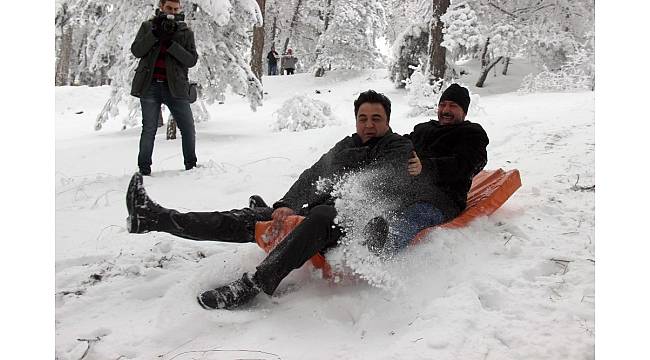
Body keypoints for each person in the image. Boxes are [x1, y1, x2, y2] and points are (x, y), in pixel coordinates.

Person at [126, 90, 414, 310]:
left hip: (356, 229)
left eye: (376, 119)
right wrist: (285, 205)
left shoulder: (398, 147)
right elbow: (314, 174)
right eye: (363, 118)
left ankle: (256, 284)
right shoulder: (347, 144)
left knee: (325, 213)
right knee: (248, 219)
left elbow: (373, 179)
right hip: (315, 221)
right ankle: (153, 218)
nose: (369, 125)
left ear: (388, 120)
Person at [381, 83, 489, 253]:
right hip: (407, 191)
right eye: (442, 105)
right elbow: (403, 145)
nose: (446, 110)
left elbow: (466, 164)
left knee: (406, 220)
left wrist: (425, 166)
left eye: (453, 106)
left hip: (441, 199)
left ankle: (378, 260)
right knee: (372, 207)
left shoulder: (472, 134)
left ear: (464, 111)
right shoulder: (424, 129)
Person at [130, 0, 199, 176]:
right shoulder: (148, 27)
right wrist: (155, 34)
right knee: (149, 128)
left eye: (176, 9)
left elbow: (191, 60)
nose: (172, 12)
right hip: (150, 85)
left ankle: (191, 167)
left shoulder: (185, 32)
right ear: (161, 7)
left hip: (175, 87)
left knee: (188, 127)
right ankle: (144, 170)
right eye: (169, 8)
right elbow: (137, 51)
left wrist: (170, 44)